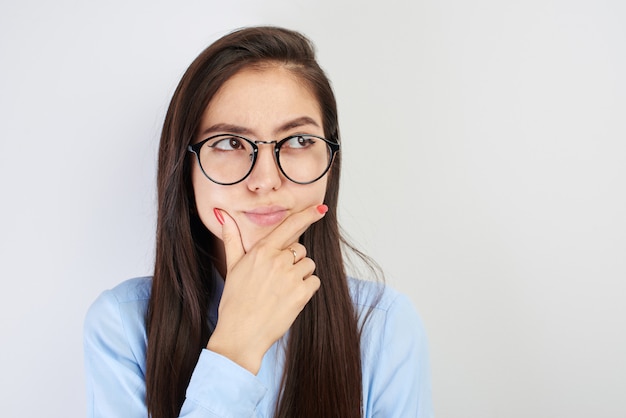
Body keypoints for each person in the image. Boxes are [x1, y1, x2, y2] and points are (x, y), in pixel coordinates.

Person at [83, 26, 433, 418]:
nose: (266, 180)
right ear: (185, 168)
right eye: (230, 143)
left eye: (299, 140)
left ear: (330, 163)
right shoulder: (123, 326)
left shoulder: (383, 327)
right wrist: (235, 348)